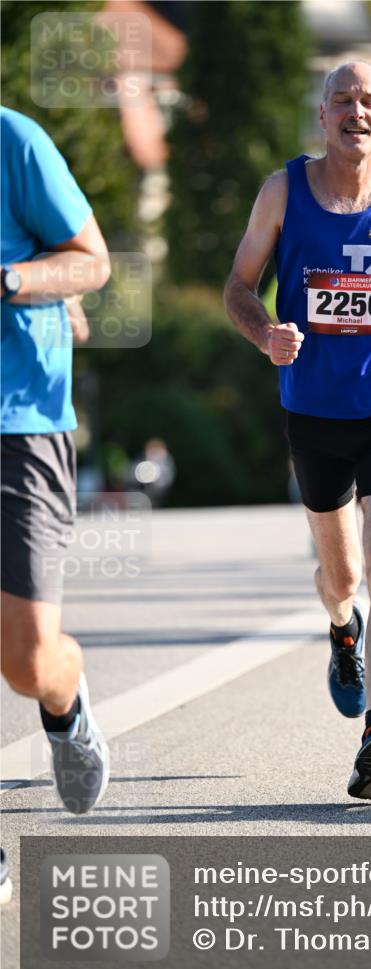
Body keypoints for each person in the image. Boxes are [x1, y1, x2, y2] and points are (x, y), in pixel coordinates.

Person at [224, 62, 371, 799]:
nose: (355, 111)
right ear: (321, 116)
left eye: (369, 102)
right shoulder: (283, 190)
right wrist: (265, 334)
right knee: (343, 579)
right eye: (342, 100)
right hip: (313, 409)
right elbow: (237, 285)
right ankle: (341, 630)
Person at [1, 106, 111, 815]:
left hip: (22, 424)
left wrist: (14, 280)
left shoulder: (15, 141)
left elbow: (91, 261)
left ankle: (66, 710)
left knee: (28, 661)